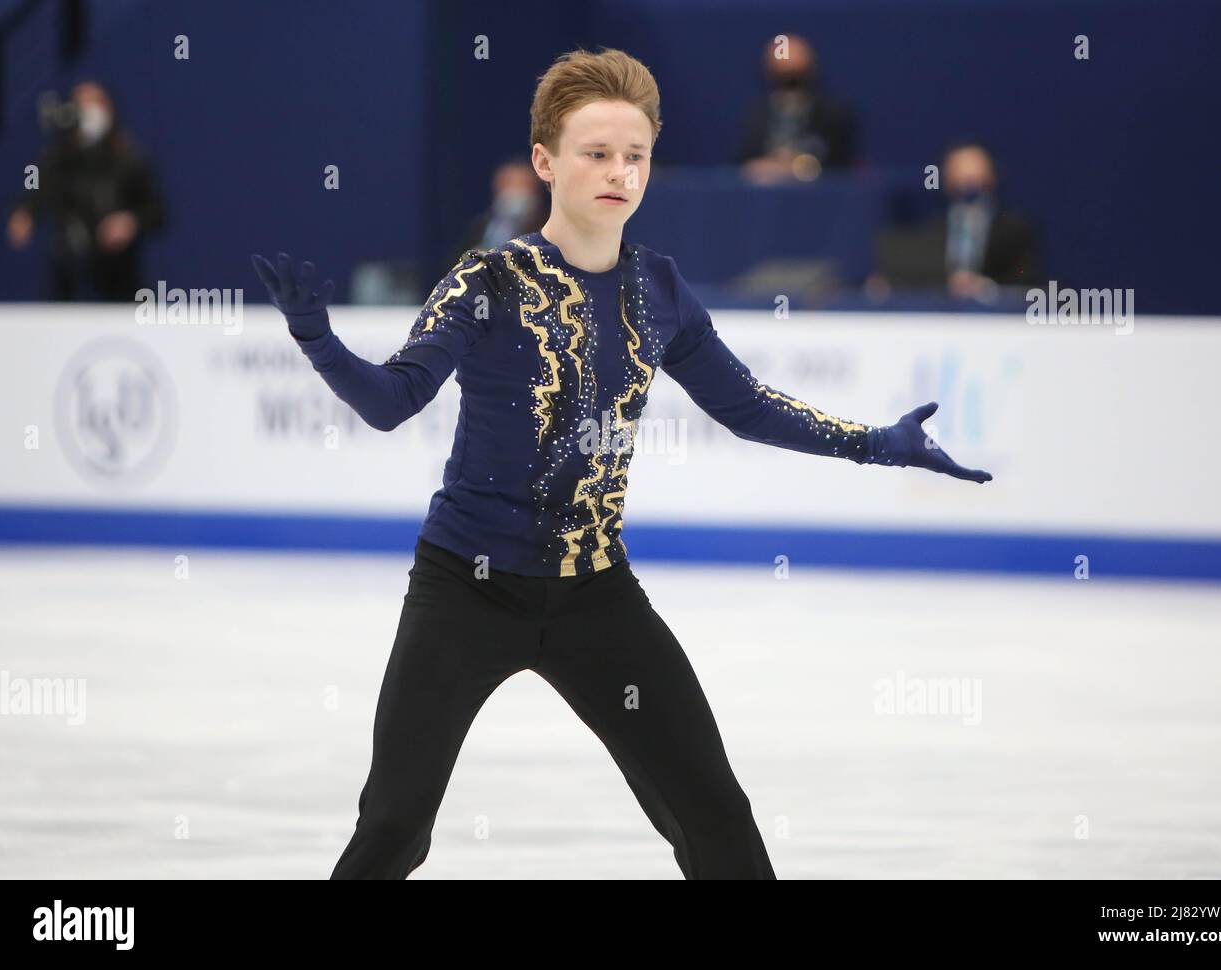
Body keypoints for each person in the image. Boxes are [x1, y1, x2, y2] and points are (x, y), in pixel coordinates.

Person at [252, 47, 991, 880]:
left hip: (595, 593)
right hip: (466, 586)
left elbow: (744, 406)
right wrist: (319, 342)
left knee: (717, 821)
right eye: (596, 153)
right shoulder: (490, 278)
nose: (618, 173)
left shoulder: (658, 287)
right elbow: (393, 402)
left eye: (633, 156)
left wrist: (875, 444)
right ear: (546, 161)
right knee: (393, 828)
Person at [6, 80, 166, 301]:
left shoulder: (129, 159)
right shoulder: (57, 159)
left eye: (95, 102)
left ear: (109, 108)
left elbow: (158, 211)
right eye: (82, 102)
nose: (89, 110)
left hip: (119, 276)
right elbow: (36, 195)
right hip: (69, 275)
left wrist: (130, 221)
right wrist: (25, 213)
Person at [869, 141, 1041, 300]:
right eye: (960, 175)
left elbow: (1026, 282)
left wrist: (988, 289)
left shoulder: (1015, 230)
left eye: (974, 176)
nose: (968, 183)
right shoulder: (931, 228)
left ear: (991, 177)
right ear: (947, 179)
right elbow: (914, 274)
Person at [737, 34, 859, 183]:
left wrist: (794, 167)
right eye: (782, 76)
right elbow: (745, 163)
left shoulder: (833, 116)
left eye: (795, 76)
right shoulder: (758, 116)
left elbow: (839, 165)